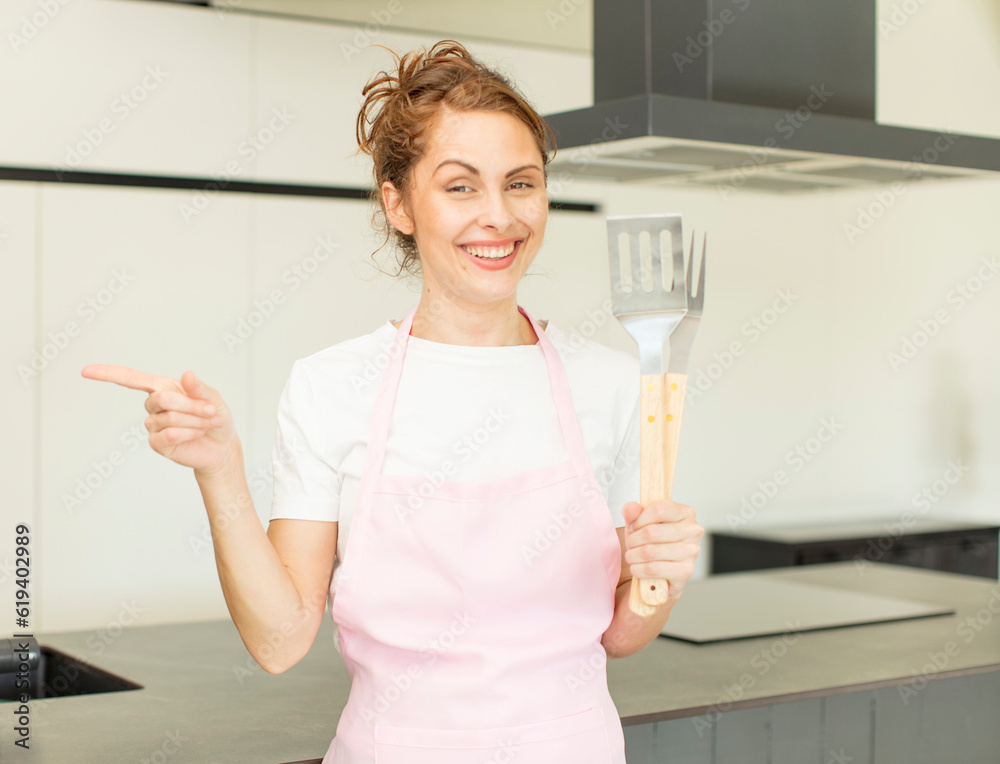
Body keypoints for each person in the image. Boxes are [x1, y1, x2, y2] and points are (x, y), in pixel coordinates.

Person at [82, 40, 703, 764]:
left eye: (521, 183)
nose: (499, 216)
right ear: (399, 204)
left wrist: (662, 581)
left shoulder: (619, 384)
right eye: (460, 187)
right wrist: (219, 470)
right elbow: (280, 641)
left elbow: (620, 635)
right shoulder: (331, 386)